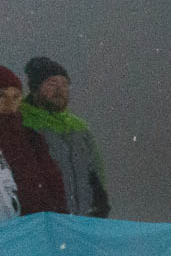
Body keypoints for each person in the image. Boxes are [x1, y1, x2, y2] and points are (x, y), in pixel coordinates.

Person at [20, 56, 109, 218]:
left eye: (64, 84)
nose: (59, 90)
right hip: (43, 221)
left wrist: (100, 205)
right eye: (52, 84)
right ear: (35, 89)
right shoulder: (22, 122)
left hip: (82, 220)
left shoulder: (79, 128)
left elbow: (95, 172)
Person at [0, 66, 67, 221]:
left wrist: (59, 220)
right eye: (2, 96)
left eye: (16, 97)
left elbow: (54, 185)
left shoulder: (31, 138)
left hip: (35, 229)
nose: (10, 103)